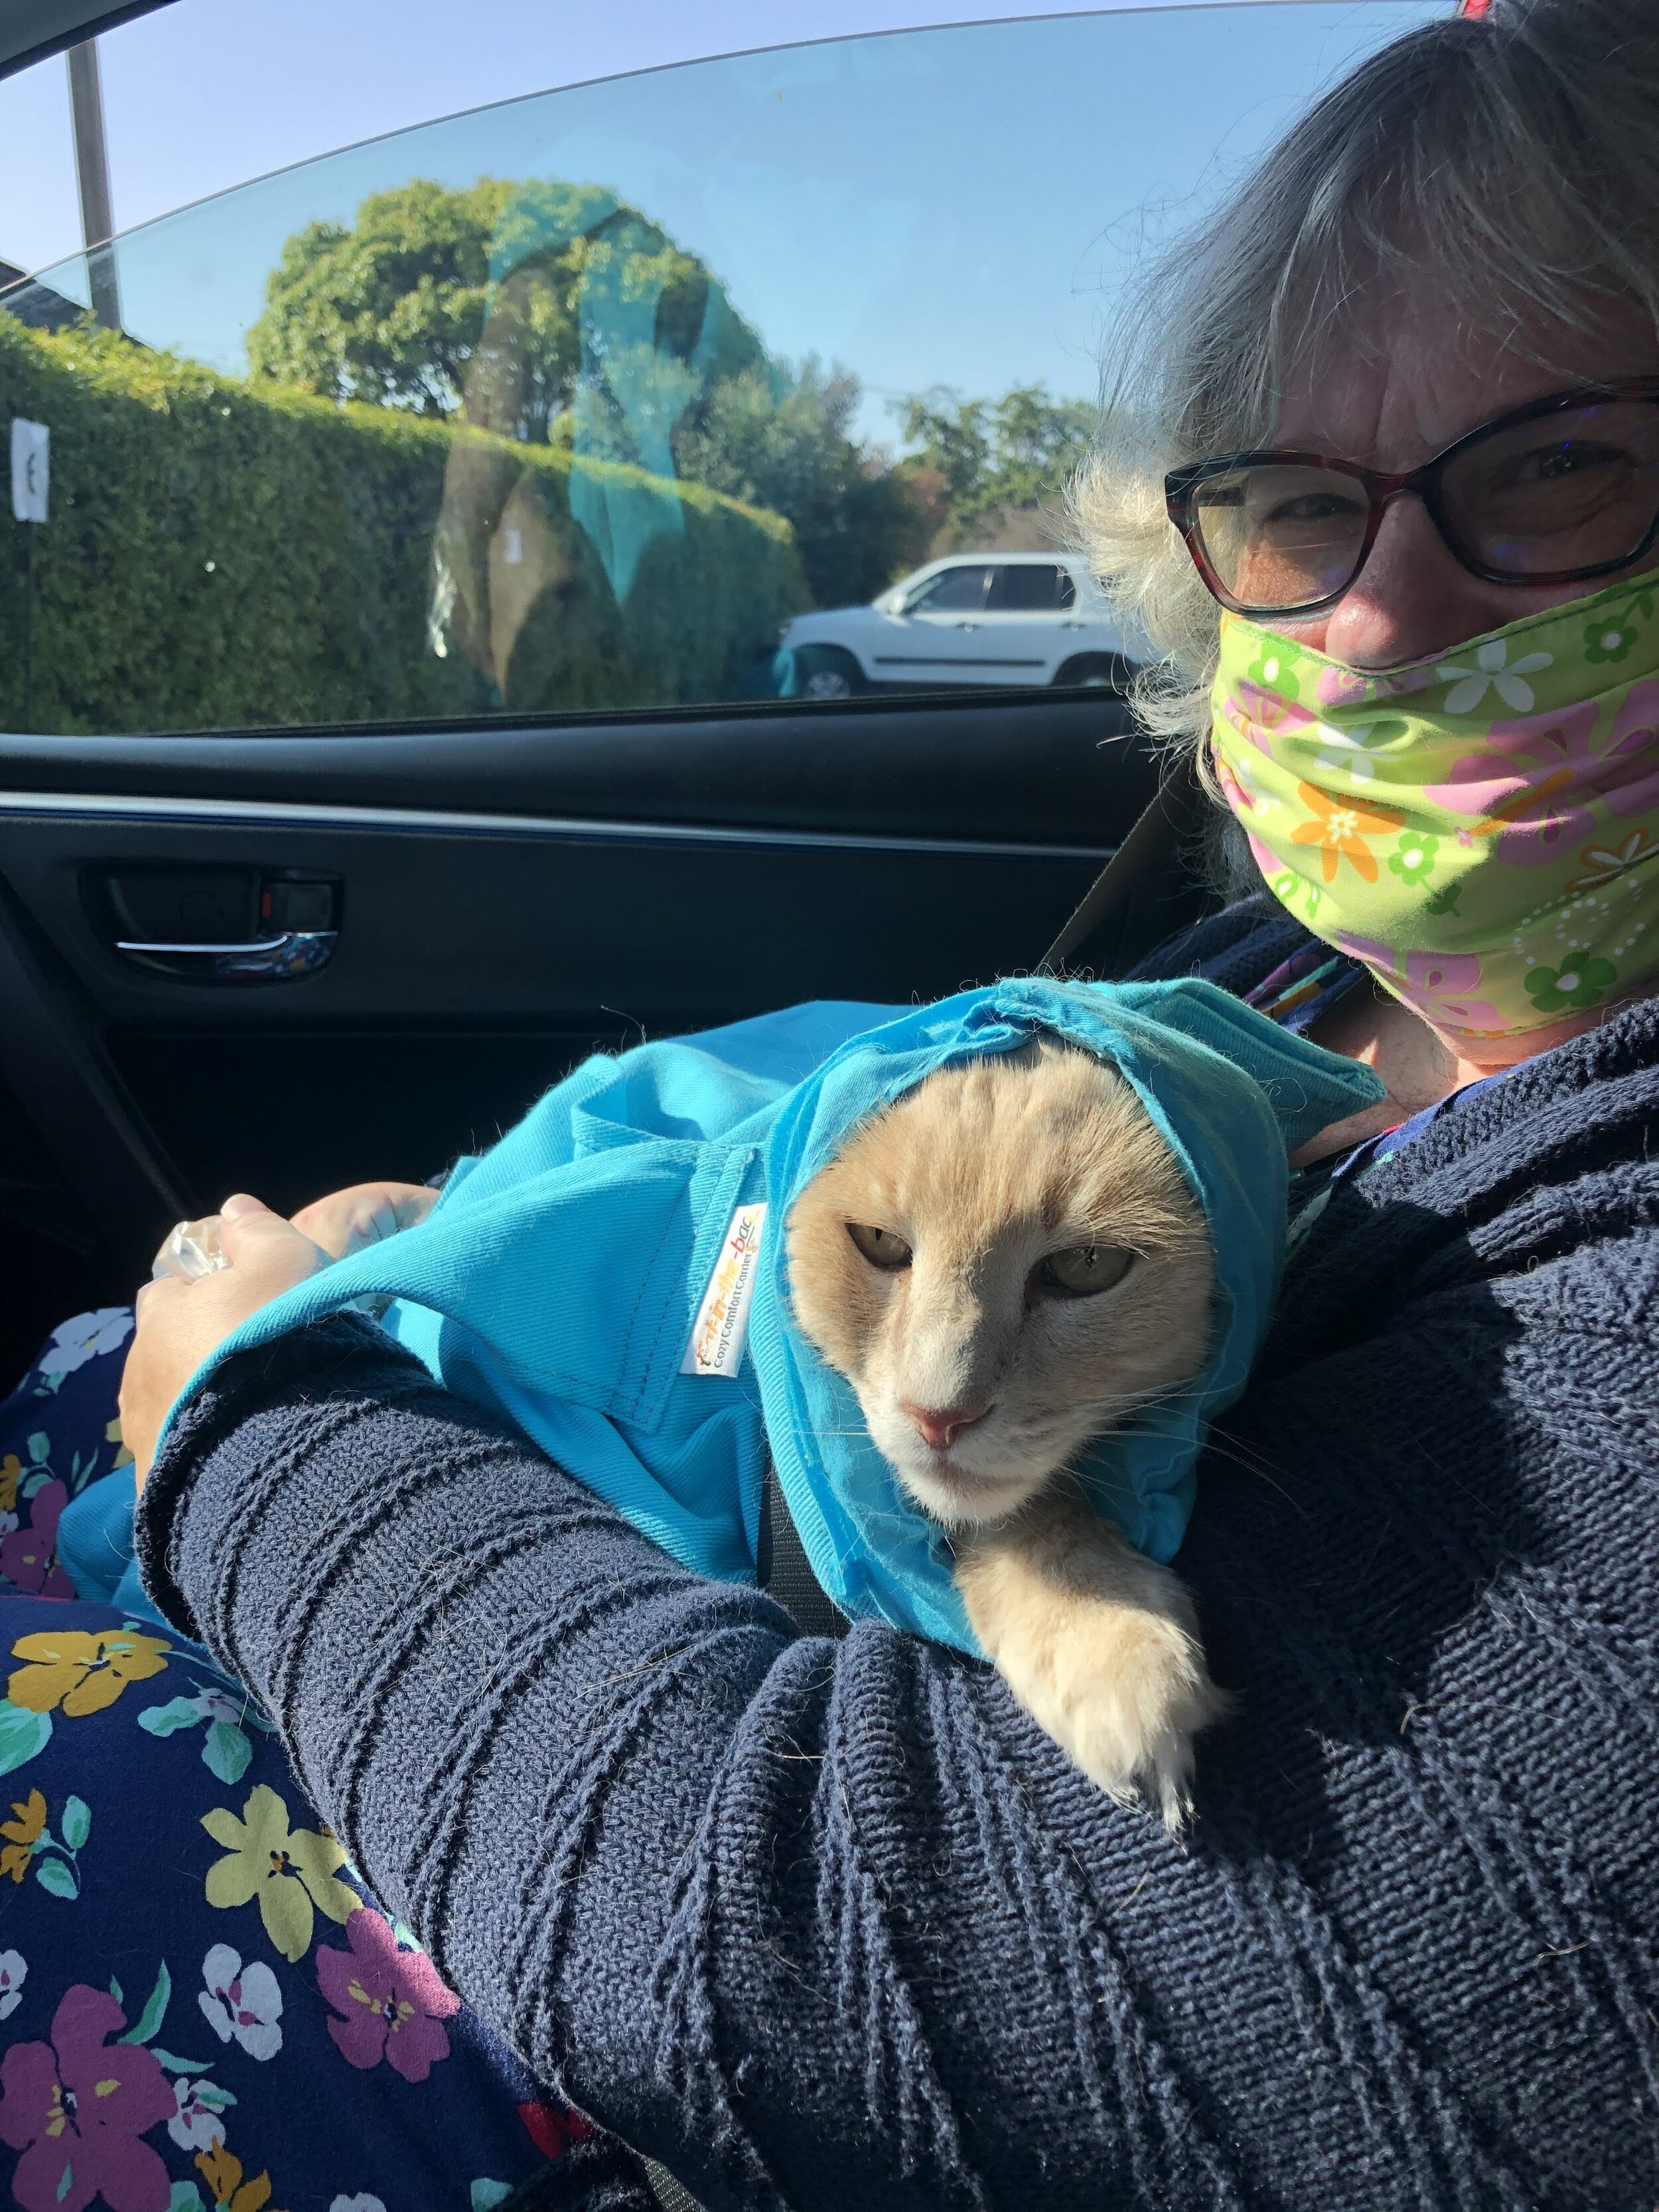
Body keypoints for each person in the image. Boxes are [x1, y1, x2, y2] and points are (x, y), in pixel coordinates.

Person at [10, 0, 1659, 2203]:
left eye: (1555, 466)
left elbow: (811, 1947)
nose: (1368, 623)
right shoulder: (1295, 968)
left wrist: (262, 1424)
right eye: (1293, 505)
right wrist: (488, 1257)